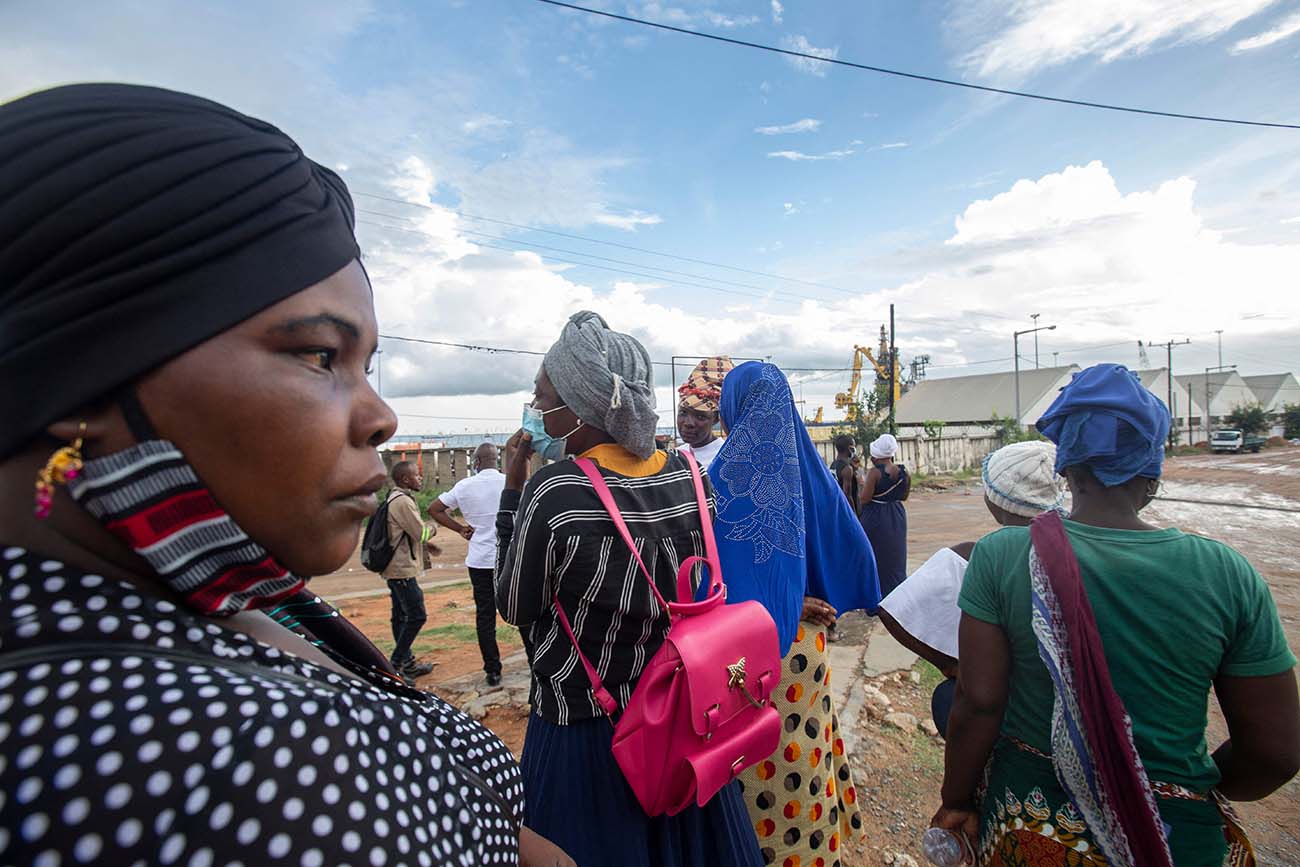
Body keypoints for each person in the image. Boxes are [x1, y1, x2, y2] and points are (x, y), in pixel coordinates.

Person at [0, 83, 573, 867]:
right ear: (76, 372)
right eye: (318, 355)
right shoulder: (230, 766)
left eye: (367, 364)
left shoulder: (204, 596)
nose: (381, 416)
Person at [933, 364, 1300, 867]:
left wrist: (956, 801)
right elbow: (1276, 752)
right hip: (1176, 837)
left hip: (1031, 830)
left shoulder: (1002, 556)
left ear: (1066, 466)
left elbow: (978, 703)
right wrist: (1177, 793)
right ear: (1153, 470)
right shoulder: (1226, 572)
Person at [495, 312, 762, 867]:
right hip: (679, 717)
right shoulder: (690, 475)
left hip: (585, 733)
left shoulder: (555, 492)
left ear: (580, 408)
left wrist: (511, 492)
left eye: (543, 398)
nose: (536, 409)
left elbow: (514, 604)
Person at [708, 362, 881, 867]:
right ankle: (810, 852)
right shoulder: (813, 474)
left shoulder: (721, 481)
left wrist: (782, 600)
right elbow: (855, 552)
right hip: (806, 648)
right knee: (802, 758)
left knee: (752, 766)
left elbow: (707, 579)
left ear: (732, 408)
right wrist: (805, 596)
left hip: (744, 659)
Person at [878, 440, 1065, 736]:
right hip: (1060, 714)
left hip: (1002, 714)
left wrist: (950, 665)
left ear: (993, 500)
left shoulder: (970, 554)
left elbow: (893, 611)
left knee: (946, 698)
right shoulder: (1077, 551)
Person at [429, 442, 509, 687]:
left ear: (476, 462)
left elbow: (435, 509)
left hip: (480, 560)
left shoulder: (465, 486)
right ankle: (534, 660)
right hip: (509, 558)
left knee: (485, 616)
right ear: (496, 460)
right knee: (524, 611)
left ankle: (492, 670)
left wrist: (460, 529)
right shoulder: (510, 482)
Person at [382, 459, 438, 684]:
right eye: (417, 475)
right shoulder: (403, 501)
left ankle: (408, 664)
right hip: (401, 570)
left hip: (395, 567)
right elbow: (420, 533)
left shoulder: (393, 497)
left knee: (400, 616)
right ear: (405, 479)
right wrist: (435, 526)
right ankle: (395, 666)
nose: (420, 478)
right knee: (417, 615)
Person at [858, 432, 910, 597]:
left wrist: (862, 484)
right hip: (897, 515)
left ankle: (876, 597)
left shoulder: (874, 473)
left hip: (876, 517)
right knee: (896, 557)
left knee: (876, 556)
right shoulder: (904, 472)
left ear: (876, 455)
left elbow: (865, 499)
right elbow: (904, 496)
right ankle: (896, 596)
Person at [676, 355, 734, 471]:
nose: (688, 423)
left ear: (716, 419)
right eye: (683, 412)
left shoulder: (726, 459)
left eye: (700, 416)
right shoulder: (675, 456)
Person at [830, 433, 860, 508]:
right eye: (854, 446)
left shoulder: (833, 464)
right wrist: (853, 513)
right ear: (850, 448)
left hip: (836, 504)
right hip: (846, 507)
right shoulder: (847, 468)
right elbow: (847, 494)